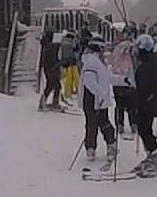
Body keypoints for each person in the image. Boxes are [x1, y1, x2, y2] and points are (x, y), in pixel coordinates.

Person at [132, 34, 157, 176]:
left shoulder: (148, 64)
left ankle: (156, 158)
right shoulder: (152, 61)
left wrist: (142, 96)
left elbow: (150, 84)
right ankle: (152, 155)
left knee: (144, 129)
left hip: (148, 102)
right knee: (144, 128)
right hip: (151, 101)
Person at [80, 35, 117, 163]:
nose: (105, 51)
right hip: (93, 99)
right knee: (98, 123)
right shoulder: (92, 61)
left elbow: (105, 78)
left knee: (99, 122)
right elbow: (89, 81)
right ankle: (97, 147)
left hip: (97, 98)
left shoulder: (96, 61)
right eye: (103, 48)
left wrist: (123, 81)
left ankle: (96, 147)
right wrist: (99, 94)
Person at [107, 28, 137, 135]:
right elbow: (112, 60)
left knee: (131, 104)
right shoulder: (119, 47)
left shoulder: (130, 46)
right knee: (121, 104)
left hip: (128, 78)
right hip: (120, 79)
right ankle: (120, 124)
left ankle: (132, 123)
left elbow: (135, 54)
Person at [38, 28, 61, 111]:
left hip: (48, 68)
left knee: (52, 85)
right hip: (52, 68)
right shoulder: (52, 47)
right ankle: (50, 103)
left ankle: (44, 102)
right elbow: (54, 58)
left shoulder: (46, 46)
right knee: (54, 86)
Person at [59, 31, 80, 101]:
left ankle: (67, 93)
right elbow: (76, 50)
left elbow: (60, 54)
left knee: (67, 79)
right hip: (72, 62)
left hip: (65, 63)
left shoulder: (62, 42)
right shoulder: (72, 42)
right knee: (76, 78)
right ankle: (78, 92)